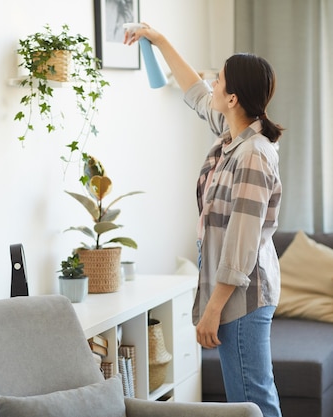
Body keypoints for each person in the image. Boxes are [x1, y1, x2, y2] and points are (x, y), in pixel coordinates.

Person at [125, 25, 284, 417]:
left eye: (219, 80)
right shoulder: (232, 136)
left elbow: (241, 244)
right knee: (248, 396)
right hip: (234, 292)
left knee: (253, 400)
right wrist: (157, 39)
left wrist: (212, 309)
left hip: (242, 298)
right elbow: (194, 90)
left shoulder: (252, 155)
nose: (210, 82)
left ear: (232, 98)